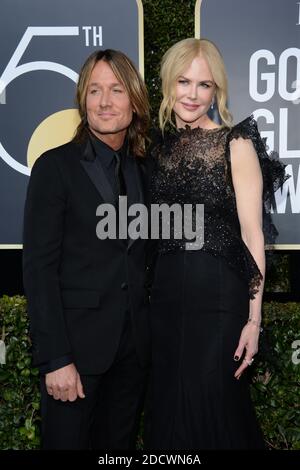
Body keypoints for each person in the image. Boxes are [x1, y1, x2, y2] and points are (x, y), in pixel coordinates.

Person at [145, 38, 287, 449]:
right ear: (169, 84)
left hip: (220, 298)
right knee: (168, 405)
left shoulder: (235, 143)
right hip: (166, 299)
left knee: (216, 403)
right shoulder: (154, 147)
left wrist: (253, 320)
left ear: (216, 91)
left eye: (204, 85)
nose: (192, 94)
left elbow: (253, 234)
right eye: (183, 82)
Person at [23, 49, 151, 449]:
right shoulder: (54, 167)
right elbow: (39, 269)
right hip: (74, 357)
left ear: (134, 99)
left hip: (132, 356)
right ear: (82, 100)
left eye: (115, 89)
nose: (104, 101)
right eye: (94, 90)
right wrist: (56, 358)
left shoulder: (145, 168)